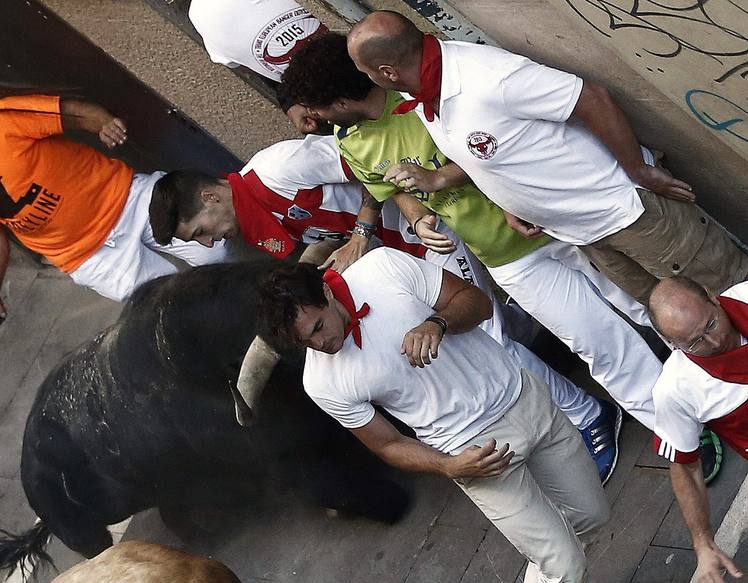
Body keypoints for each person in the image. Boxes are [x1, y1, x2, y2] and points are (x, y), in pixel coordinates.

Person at [258, 247, 647, 583]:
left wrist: (437, 323)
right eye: (306, 343)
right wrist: (449, 466)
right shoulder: (321, 382)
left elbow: (477, 303)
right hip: (472, 455)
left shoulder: (384, 267)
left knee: (592, 517)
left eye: (318, 328)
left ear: (326, 290)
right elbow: (388, 443)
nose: (321, 345)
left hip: (525, 399)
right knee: (565, 563)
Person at [149, 138, 617, 479]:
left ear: (210, 197)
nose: (210, 243)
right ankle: (552, 405)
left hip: (428, 229)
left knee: (486, 336)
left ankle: (587, 415)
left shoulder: (279, 168)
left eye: (201, 232)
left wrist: (363, 231)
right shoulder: (254, 226)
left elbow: (370, 163)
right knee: (493, 331)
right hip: (400, 263)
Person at [279, 33, 662, 440]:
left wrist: (440, 176)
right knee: (597, 345)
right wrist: (419, 217)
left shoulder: (418, 99)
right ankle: (674, 428)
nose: (316, 120)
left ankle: (719, 383)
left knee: (643, 303)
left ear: (339, 102)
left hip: (550, 222)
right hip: (504, 257)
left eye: (318, 108)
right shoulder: (348, 139)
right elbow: (393, 189)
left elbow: (488, 145)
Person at [346, 11, 748, 305]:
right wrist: (508, 201)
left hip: (632, 212)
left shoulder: (487, 78)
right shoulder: (423, 96)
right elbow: (492, 150)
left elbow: (592, 98)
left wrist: (638, 169)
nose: (369, 80)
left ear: (388, 72)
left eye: (366, 72)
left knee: (731, 296)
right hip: (587, 233)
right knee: (682, 324)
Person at [0, 94, 229, 304]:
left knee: (217, 253)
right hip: (85, 253)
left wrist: (105, 123)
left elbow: (70, 113)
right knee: (170, 304)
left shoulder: (4, 121)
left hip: (127, 197)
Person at [650, 276, 748, 583]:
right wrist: (703, 544)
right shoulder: (675, 390)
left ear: (711, 296)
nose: (716, 340)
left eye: (711, 324)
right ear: (672, 343)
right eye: (696, 342)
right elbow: (685, 466)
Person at [188, 0, 330, 136]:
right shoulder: (203, 15)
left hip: (328, 100)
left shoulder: (200, 15)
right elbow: (250, 63)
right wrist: (290, 101)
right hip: (328, 103)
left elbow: (247, 63)